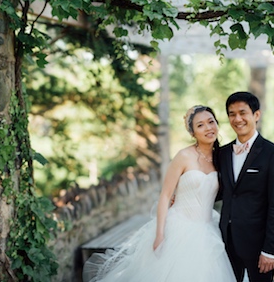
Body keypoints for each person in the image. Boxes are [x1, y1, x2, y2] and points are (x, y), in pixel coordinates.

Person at [83, 105, 236, 282]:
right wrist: (160, 234)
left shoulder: (223, 157)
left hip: (208, 229)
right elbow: (165, 196)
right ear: (192, 132)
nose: (208, 128)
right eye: (200, 125)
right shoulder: (184, 156)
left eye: (211, 122)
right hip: (179, 228)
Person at [218, 91, 274, 282]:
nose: (237, 119)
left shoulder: (273, 154)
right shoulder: (223, 153)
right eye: (232, 114)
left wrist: (271, 249)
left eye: (243, 112)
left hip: (259, 245)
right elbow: (219, 190)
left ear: (256, 115)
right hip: (225, 242)